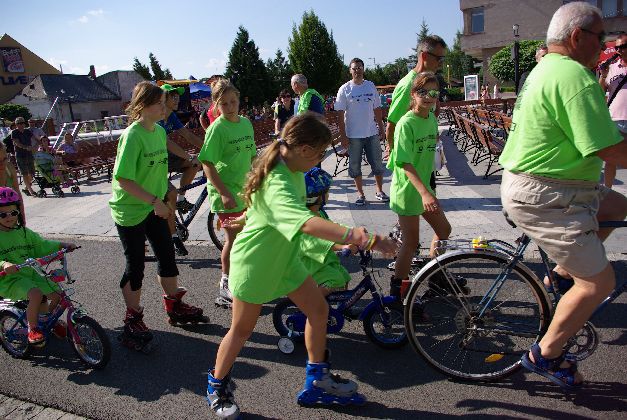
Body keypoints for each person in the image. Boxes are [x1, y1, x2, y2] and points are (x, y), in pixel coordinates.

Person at [205, 113, 397, 419]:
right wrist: (363, 237)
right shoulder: (279, 179)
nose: (321, 159)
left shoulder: (290, 167)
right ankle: (216, 387)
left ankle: (317, 380)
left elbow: (264, 209)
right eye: (321, 154)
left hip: (285, 259)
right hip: (256, 263)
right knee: (241, 330)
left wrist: (242, 218)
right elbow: (305, 222)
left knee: (318, 311)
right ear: (305, 150)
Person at [499, 2, 627, 389]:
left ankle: (560, 273)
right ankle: (546, 354)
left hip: (548, 185)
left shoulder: (546, 69)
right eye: (600, 38)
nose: (604, 47)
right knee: (599, 283)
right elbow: (608, 149)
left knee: (618, 205)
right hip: (548, 193)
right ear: (576, 37)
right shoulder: (574, 76)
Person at [109, 81, 206, 350]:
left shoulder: (158, 132)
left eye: (165, 103)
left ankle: (174, 304)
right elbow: (123, 179)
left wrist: (166, 195)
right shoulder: (133, 136)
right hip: (130, 210)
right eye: (160, 103)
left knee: (166, 254)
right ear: (142, 105)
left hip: (155, 205)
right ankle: (132, 318)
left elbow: (159, 170)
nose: (165, 108)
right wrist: (155, 201)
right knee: (136, 265)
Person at [387, 72, 452, 300]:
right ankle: (397, 291)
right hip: (408, 190)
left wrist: (429, 188)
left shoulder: (431, 118)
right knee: (411, 241)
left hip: (425, 188)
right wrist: (425, 193)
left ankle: (434, 275)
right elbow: (404, 163)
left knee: (444, 230)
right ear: (413, 94)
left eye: (433, 93)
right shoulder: (406, 123)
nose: (428, 97)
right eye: (423, 92)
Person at [198, 79, 256, 309]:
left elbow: (252, 156)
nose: (230, 107)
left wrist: (259, 179)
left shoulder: (246, 123)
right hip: (226, 192)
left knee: (247, 238)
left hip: (245, 190)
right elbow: (207, 164)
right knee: (233, 239)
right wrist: (223, 193)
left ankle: (244, 278)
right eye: (224, 103)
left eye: (233, 101)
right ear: (216, 105)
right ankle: (225, 284)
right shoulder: (217, 129)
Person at [0, 187, 76, 345]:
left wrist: (61, 245)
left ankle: (47, 321)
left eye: (13, 213)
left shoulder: (24, 232)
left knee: (58, 294)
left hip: (32, 273)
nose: (9, 217)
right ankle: (33, 328)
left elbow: (41, 245)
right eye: (3, 214)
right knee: (36, 294)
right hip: (10, 279)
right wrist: (4, 264)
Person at [386, 35, 447, 188]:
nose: (441, 63)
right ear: (424, 56)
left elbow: (432, 113)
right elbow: (391, 126)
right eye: (439, 58)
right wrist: (396, 155)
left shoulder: (427, 82)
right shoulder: (409, 85)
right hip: (412, 168)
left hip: (424, 162)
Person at [157, 84, 204, 256]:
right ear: (163, 99)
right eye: (173, 96)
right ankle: (174, 237)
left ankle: (182, 200)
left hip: (167, 157)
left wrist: (209, 149)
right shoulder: (157, 118)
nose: (177, 99)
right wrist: (189, 156)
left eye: (178, 96)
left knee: (194, 164)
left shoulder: (171, 116)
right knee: (170, 194)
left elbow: (188, 135)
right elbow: (167, 143)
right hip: (156, 161)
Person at [335, 58, 388, 206]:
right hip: (353, 136)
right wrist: (343, 136)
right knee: (355, 166)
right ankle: (360, 194)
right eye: (354, 68)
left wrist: (381, 128)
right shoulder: (345, 89)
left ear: (363, 69)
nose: (357, 70)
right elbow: (340, 115)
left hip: (371, 133)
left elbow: (377, 109)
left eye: (359, 67)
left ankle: (379, 191)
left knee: (377, 164)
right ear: (350, 71)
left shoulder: (370, 86)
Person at [301, 167, 356, 295]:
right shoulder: (305, 219)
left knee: (344, 276)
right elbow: (314, 243)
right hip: (311, 263)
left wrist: (353, 233)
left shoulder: (320, 213)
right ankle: (312, 304)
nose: (328, 194)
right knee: (335, 279)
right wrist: (342, 247)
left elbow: (333, 229)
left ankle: (339, 304)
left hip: (324, 261)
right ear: (317, 197)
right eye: (326, 192)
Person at [600, 33, 627, 188]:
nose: (619, 50)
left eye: (623, 46)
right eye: (617, 47)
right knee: (611, 160)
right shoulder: (611, 68)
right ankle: (607, 192)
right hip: (614, 119)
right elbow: (600, 91)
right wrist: (603, 76)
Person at [10, 117, 37, 196]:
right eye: (18, 123)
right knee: (24, 173)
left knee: (32, 173)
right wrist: (26, 147)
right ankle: (31, 191)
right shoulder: (14, 132)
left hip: (29, 154)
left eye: (22, 123)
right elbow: (16, 143)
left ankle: (26, 188)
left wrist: (37, 145)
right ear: (16, 125)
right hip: (20, 155)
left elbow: (35, 139)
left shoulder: (27, 131)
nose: (21, 125)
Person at [0, 143, 25, 221]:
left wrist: (22, 217)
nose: (2, 163)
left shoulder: (9, 167)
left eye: (4, 159)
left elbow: (17, 193)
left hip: (11, 215)